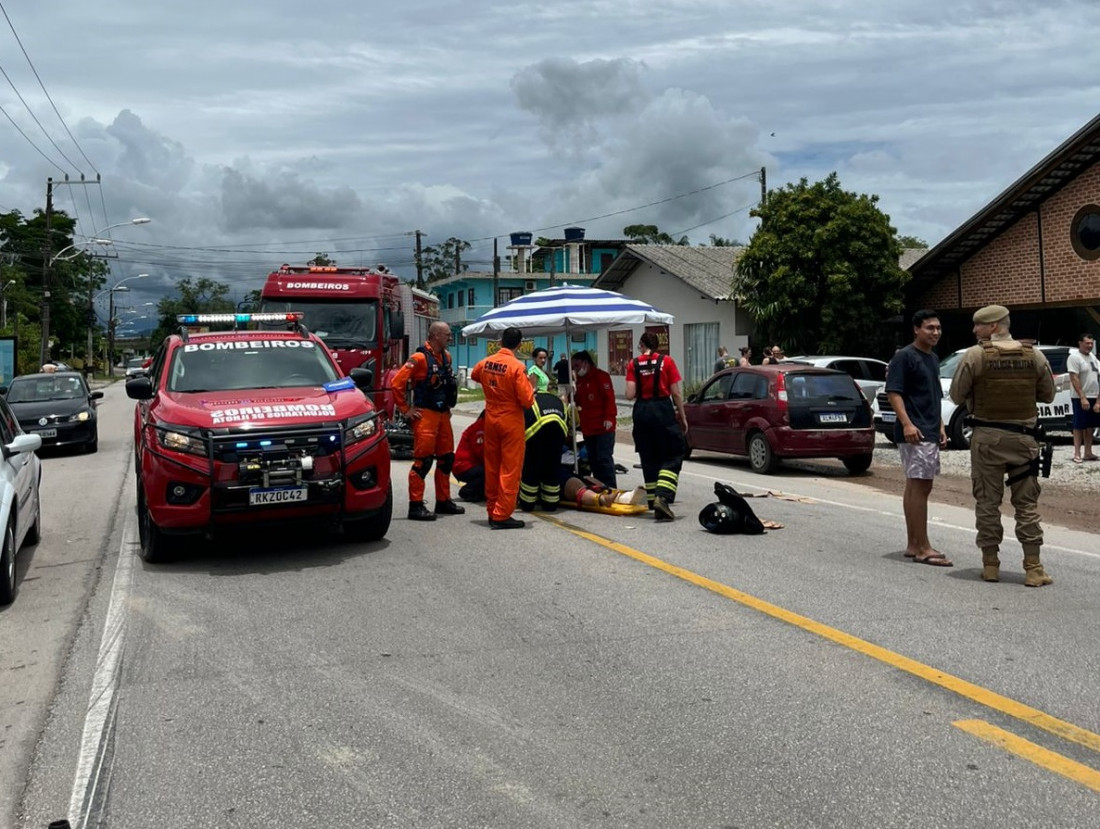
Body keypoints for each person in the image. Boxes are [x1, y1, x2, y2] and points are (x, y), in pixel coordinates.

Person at [949, 305, 1056, 586]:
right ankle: (1033, 568)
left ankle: (990, 565)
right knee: (1027, 504)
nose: (974, 330)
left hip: (987, 438)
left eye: (978, 325)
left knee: (987, 502)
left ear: (993, 326)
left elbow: (956, 395)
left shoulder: (975, 355)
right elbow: (1048, 394)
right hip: (1024, 438)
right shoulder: (1034, 355)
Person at [886, 309, 951, 566]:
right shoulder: (905, 356)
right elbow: (894, 392)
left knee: (916, 486)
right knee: (921, 486)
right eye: (929, 328)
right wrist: (907, 424)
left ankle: (914, 544)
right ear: (916, 329)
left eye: (938, 328)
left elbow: (933, 395)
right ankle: (923, 547)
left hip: (930, 428)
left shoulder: (932, 358)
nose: (935, 332)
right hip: (916, 431)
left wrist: (941, 425)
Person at [391, 321, 465, 521]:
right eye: (447, 334)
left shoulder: (446, 357)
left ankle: (443, 500)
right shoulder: (419, 358)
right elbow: (396, 383)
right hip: (426, 415)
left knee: (446, 458)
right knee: (423, 461)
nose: (450, 338)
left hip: (443, 414)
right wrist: (406, 410)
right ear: (436, 336)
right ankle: (415, 505)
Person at [470, 327, 536, 529]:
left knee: (492, 466)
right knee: (510, 469)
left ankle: (492, 509)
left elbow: (474, 375)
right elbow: (527, 400)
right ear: (519, 345)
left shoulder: (486, 362)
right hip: (510, 420)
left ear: (500, 342)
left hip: (491, 418)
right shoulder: (517, 367)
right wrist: (531, 387)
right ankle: (501, 514)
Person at [625, 331, 688, 521]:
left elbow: (629, 394)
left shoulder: (633, 364)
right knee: (673, 453)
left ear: (642, 345)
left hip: (642, 412)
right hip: (662, 409)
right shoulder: (666, 361)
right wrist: (682, 416)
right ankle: (663, 497)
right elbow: (676, 393)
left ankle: (653, 501)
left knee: (648, 457)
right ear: (657, 345)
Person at [570, 350, 618, 488]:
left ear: (586, 363)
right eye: (573, 367)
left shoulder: (601, 376)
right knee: (593, 460)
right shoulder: (580, 381)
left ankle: (611, 488)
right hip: (589, 427)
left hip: (603, 427)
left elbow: (609, 399)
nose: (575, 369)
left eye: (577, 366)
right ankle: (600, 487)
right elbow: (579, 401)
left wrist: (609, 417)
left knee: (604, 459)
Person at [519, 391, 569, 511]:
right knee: (552, 466)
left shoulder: (529, 400)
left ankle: (527, 502)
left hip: (536, 429)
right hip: (559, 429)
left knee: (531, 466)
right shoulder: (557, 401)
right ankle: (550, 503)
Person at [1067, 333, 1100, 462]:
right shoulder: (1074, 357)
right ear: (1080, 343)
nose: (1090, 346)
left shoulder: (1093, 357)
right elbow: (1074, 377)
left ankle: (1088, 452)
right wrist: (1082, 397)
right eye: (1087, 343)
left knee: (1090, 426)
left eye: (1091, 343)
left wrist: (1098, 400)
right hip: (1080, 397)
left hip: (1094, 396)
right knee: (1079, 425)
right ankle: (1077, 453)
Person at [452, 411, 486, 502]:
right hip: (463, 466)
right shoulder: (479, 429)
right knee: (489, 472)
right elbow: (480, 453)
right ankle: (468, 490)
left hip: (470, 465)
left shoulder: (482, 427)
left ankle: (479, 491)